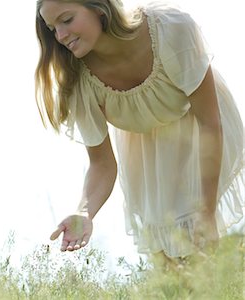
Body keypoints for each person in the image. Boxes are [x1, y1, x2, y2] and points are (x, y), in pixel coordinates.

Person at [35, 0, 244, 262]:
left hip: (201, 133)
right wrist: (84, 213)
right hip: (146, 155)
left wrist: (207, 211)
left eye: (67, 20)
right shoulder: (77, 80)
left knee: (202, 253)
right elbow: (101, 164)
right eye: (53, 28)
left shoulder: (170, 30)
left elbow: (210, 125)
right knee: (170, 269)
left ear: (100, 9)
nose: (61, 36)